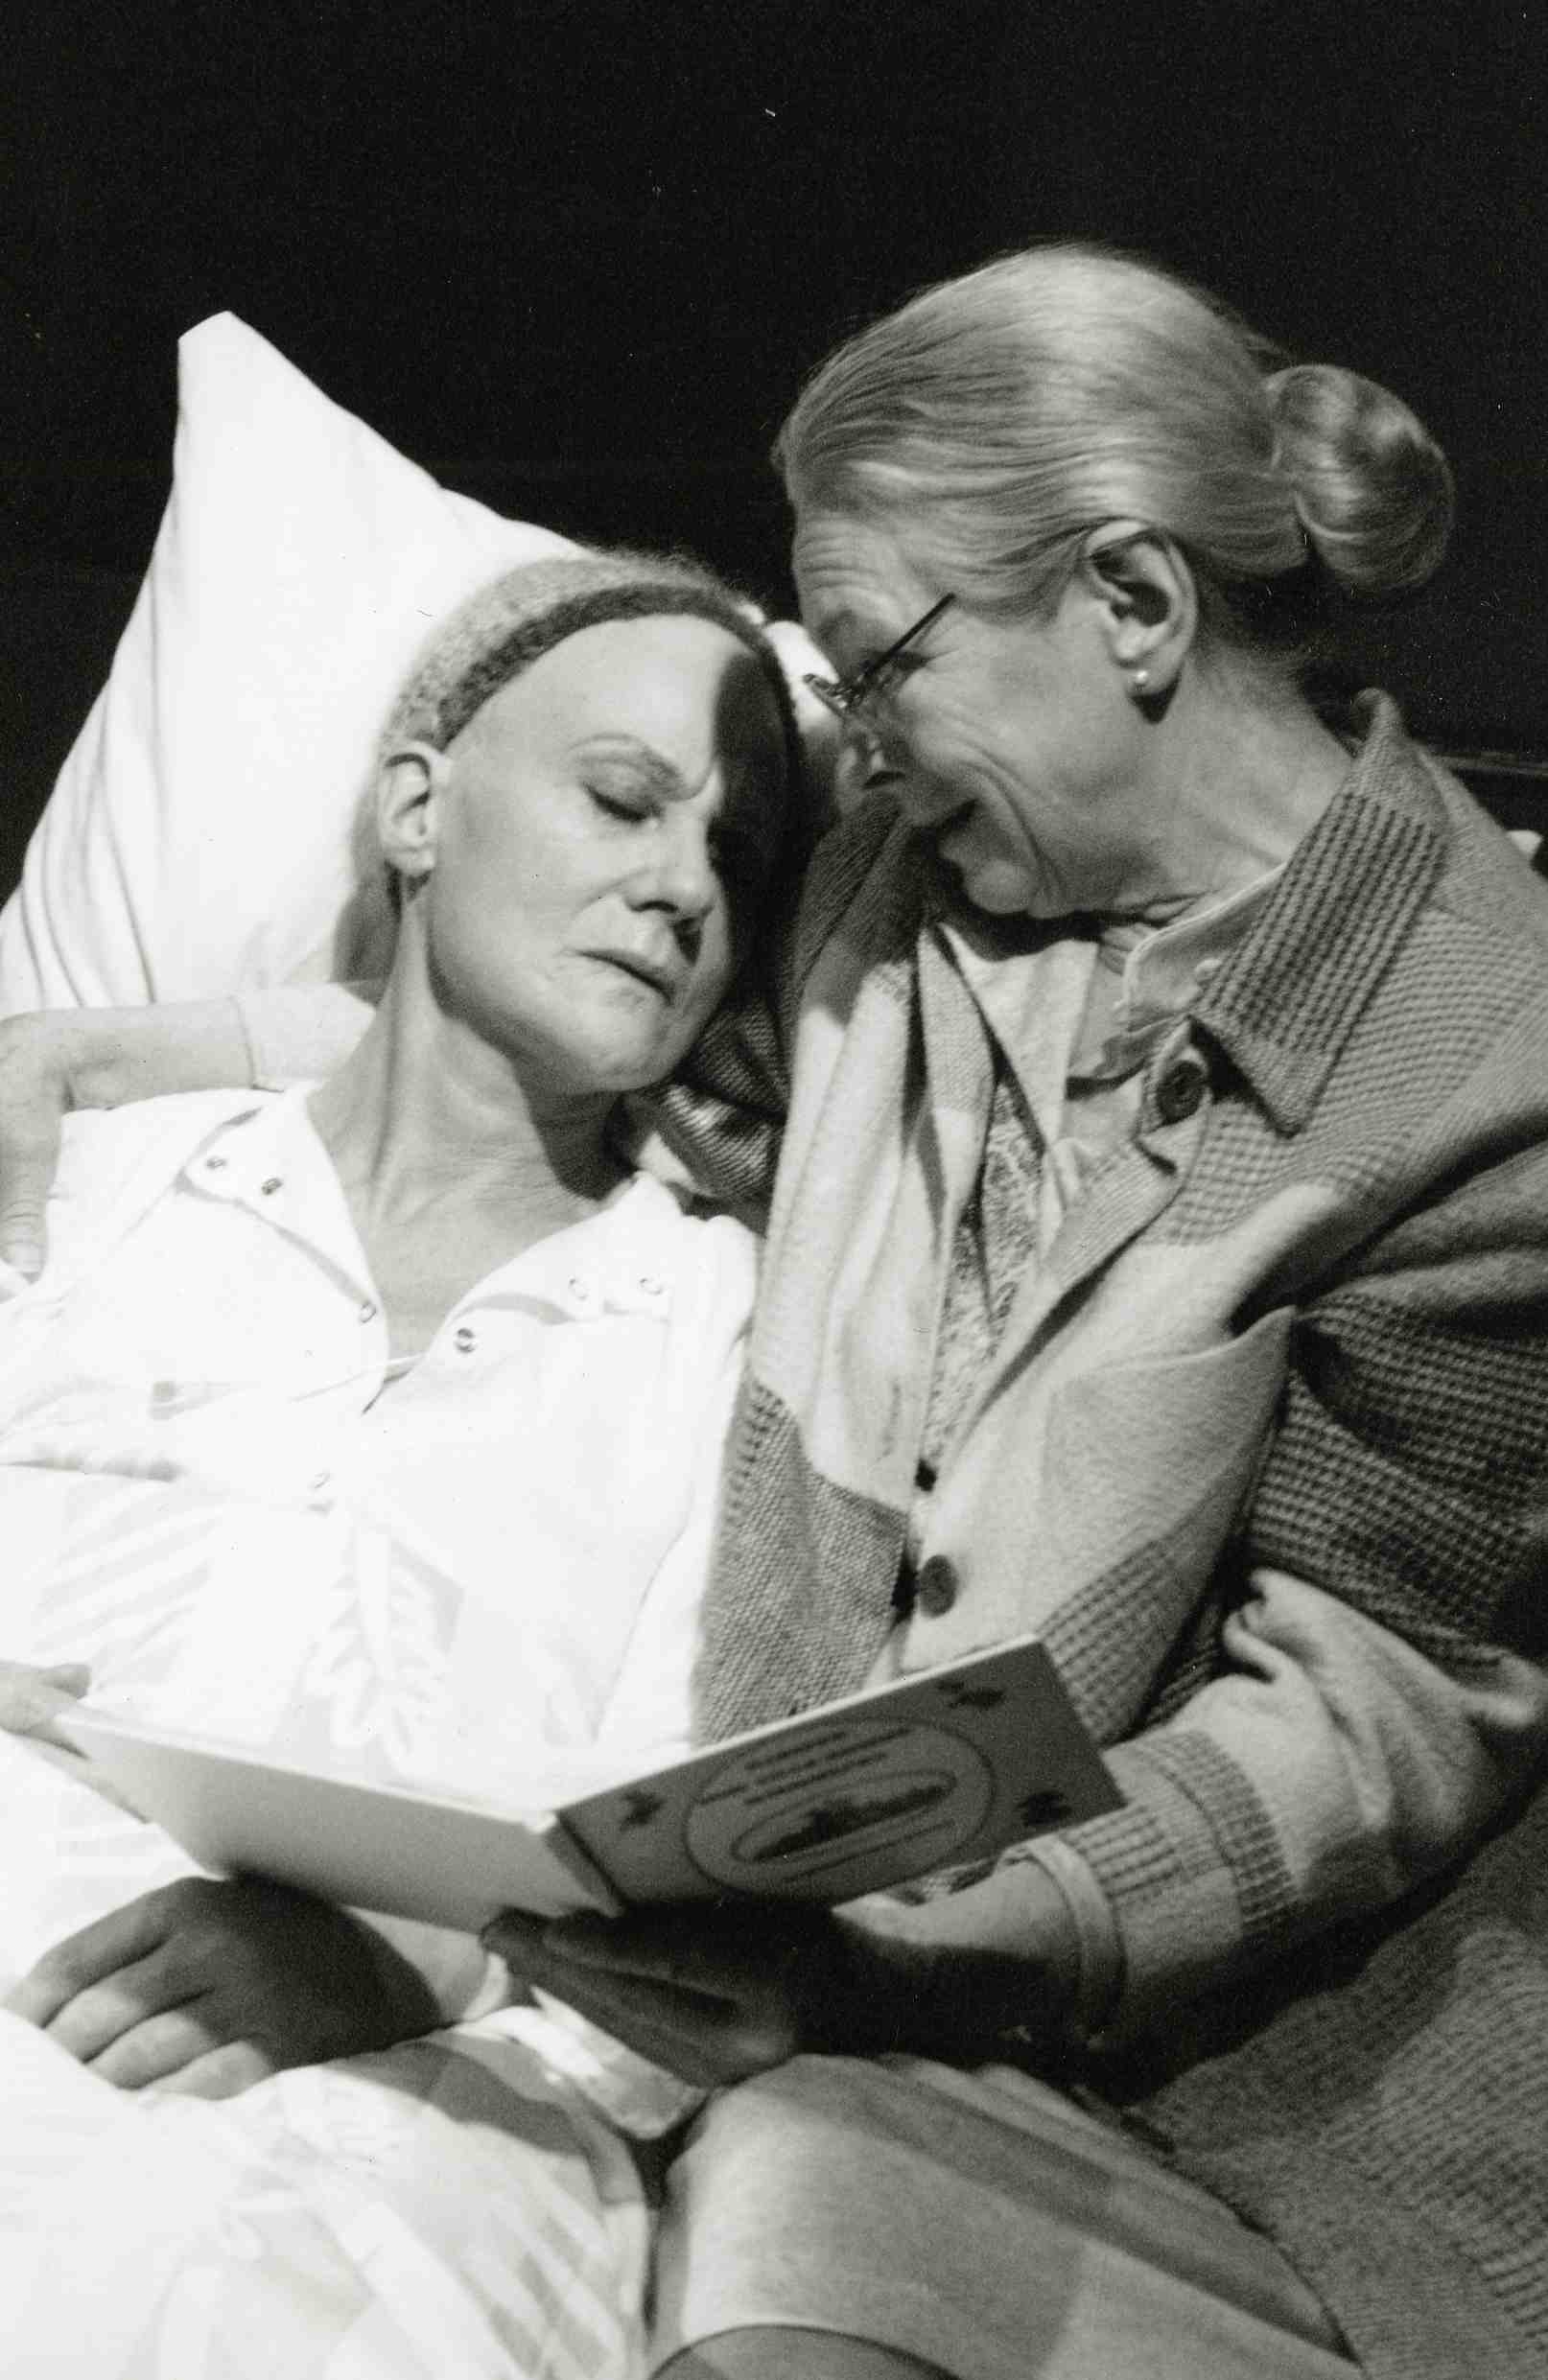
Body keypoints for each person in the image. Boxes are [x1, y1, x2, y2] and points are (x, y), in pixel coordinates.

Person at [4, 244, 1548, 2380]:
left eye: (881, 665)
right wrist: (117, 1051)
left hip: (1194, 2020)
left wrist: (881, 1952)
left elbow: (1368, 1705)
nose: (858, 753)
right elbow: (552, 1012)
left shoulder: (1489, 1062)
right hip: (761, 1936)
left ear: (1131, 602)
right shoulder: (891, 893)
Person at [0, 546, 807, 2374]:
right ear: (417, 810)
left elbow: (706, 1875)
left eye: (739, 855)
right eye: (623, 799)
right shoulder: (83, 1188)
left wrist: (400, 1957)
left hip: (394, 2126)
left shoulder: (736, 1345)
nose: (683, 884)